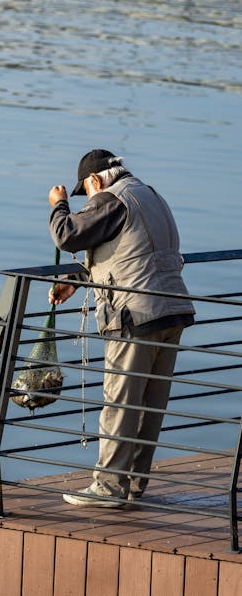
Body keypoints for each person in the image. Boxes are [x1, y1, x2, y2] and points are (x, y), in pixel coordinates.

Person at [48, 149, 195, 507]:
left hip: (137, 315)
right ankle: (134, 485)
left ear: (95, 180)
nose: (90, 198)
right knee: (150, 405)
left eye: (87, 190)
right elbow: (132, 253)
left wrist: (59, 205)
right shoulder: (150, 195)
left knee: (121, 401)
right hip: (172, 311)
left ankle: (109, 489)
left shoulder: (112, 199)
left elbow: (67, 235)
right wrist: (78, 278)